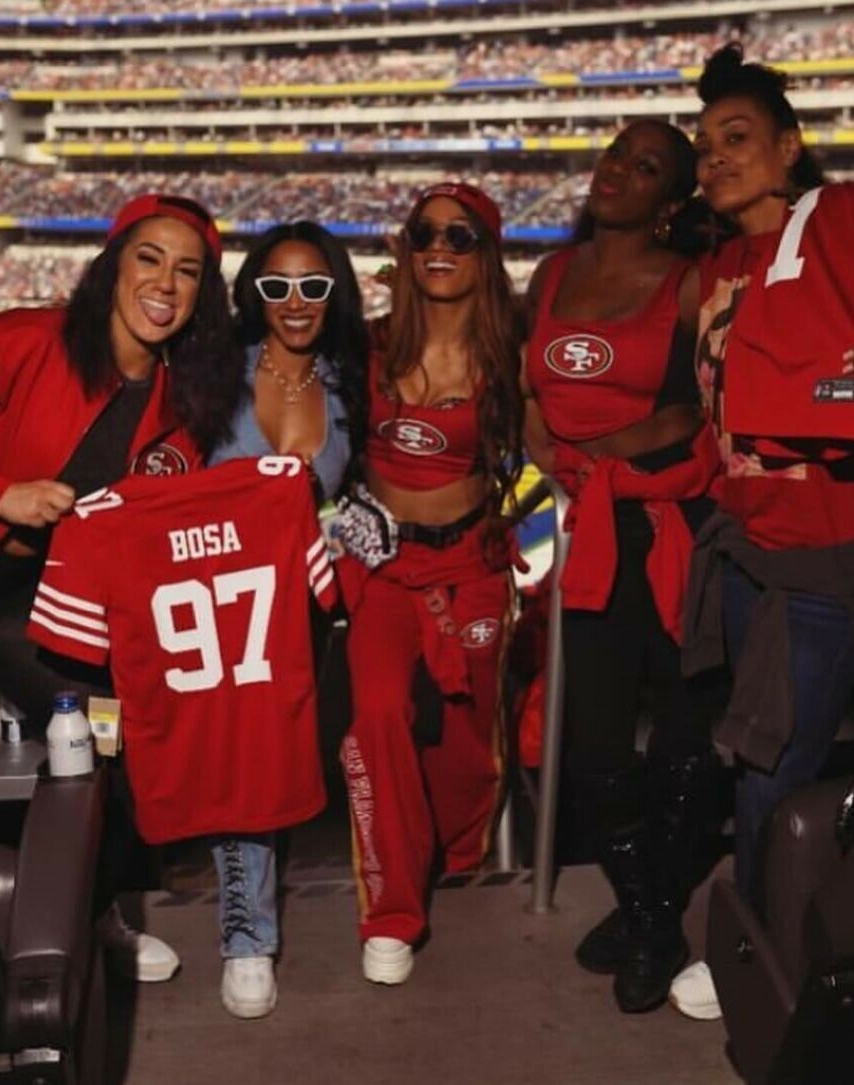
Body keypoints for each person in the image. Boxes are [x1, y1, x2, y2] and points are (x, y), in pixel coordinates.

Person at [0, 192, 241, 983]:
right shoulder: (23, 338)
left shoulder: (184, 412)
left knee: (116, 733)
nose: (165, 284)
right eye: (149, 258)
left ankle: (91, 914)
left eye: (187, 272)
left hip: (23, 617)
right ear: (113, 265)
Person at [670, 43, 854, 1020]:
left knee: (781, 763)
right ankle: (804, 939)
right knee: (765, 759)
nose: (715, 155)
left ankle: (771, 949)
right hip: (749, 551)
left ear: (790, 147)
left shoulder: (853, 218)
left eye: (737, 137)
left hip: (834, 560)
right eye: (704, 144)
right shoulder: (714, 263)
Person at [523, 120, 724, 1014]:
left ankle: (650, 917)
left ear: (670, 201)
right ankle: (653, 914)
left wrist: (597, 454)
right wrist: (551, 457)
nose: (618, 172)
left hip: (669, 522)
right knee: (596, 741)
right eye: (616, 154)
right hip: (588, 524)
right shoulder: (552, 274)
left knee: (682, 734)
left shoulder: (688, 284)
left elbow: (692, 411)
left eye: (645, 167)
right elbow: (529, 390)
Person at [337, 182, 523, 985]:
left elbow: (558, 446)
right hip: (382, 569)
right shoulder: (367, 347)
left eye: (460, 235)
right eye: (424, 234)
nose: (440, 247)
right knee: (377, 716)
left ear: (488, 254)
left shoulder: (511, 355)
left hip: (471, 567)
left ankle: (455, 859)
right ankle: (392, 909)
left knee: (465, 742)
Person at [205, 221, 369, 1018]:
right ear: (253, 294)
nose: (295, 301)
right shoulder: (213, 374)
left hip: (299, 606)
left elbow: (367, 484)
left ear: (335, 292)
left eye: (313, 284)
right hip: (211, 602)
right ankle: (247, 937)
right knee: (235, 766)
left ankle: (250, 923)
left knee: (273, 764)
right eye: (277, 286)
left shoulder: (351, 385)